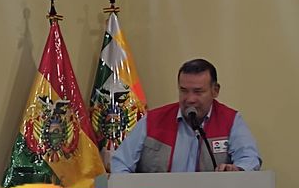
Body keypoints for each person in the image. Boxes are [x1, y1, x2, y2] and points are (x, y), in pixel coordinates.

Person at [111, 58, 261, 173]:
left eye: (198, 92)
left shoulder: (230, 120)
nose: (190, 99)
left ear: (215, 91)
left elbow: (249, 158)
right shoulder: (153, 120)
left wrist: (238, 170)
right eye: (184, 91)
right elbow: (120, 163)